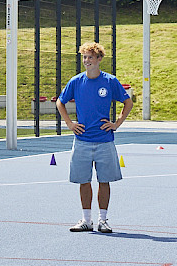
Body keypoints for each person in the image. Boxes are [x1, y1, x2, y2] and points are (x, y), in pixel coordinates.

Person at [57, 42, 133, 235]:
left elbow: (128, 102)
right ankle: (86, 220)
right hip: (82, 140)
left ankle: (103, 220)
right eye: (84, 57)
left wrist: (116, 123)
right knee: (83, 181)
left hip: (104, 140)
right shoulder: (76, 81)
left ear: (99, 59)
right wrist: (70, 124)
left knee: (104, 181)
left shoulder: (110, 81)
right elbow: (60, 102)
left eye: (90, 57)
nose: (87, 61)